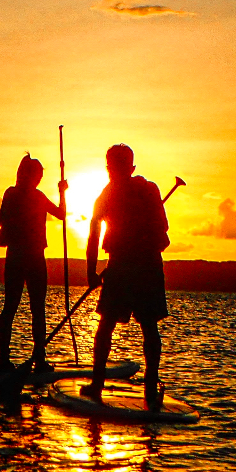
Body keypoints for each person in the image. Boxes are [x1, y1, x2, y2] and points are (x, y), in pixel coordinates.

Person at [81, 144, 169, 409]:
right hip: (133, 265)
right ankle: (144, 389)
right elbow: (95, 232)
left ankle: (108, 384)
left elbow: (161, 227)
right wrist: (91, 271)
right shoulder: (126, 192)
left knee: (116, 325)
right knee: (134, 326)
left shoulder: (138, 191)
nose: (112, 171)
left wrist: (91, 271)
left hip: (137, 266)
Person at [0, 154, 67, 372]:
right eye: (36, 175)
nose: (38, 180)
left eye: (40, 176)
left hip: (35, 256)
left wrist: (62, 193)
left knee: (38, 309)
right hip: (18, 255)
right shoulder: (12, 194)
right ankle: (4, 361)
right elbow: (1, 218)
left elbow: (61, 214)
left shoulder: (38, 196)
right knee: (11, 306)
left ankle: (39, 359)